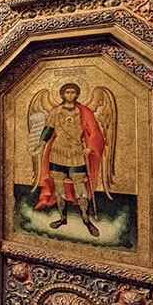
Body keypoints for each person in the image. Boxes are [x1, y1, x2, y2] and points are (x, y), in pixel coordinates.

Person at [35, 83, 105, 237]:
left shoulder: (84, 111)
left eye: (73, 92)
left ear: (77, 94)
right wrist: (41, 144)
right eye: (67, 92)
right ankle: (63, 218)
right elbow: (48, 129)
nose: (70, 95)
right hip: (58, 152)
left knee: (79, 185)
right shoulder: (55, 111)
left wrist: (91, 147)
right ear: (62, 94)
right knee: (59, 185)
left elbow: (95, 131)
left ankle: (86, 220)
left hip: (76, 152)